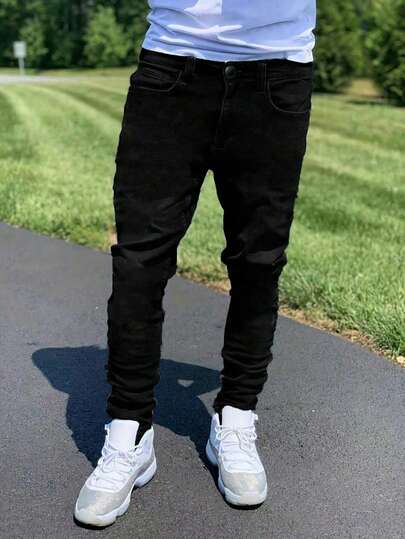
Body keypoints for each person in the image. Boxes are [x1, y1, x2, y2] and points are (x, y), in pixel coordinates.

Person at [74, 0, 316, 526]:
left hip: (276, 71)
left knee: (258, 262)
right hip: (171, 66)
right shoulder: (47, 358)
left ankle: (236, 416)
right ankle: (129, 432)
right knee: (139, 261)